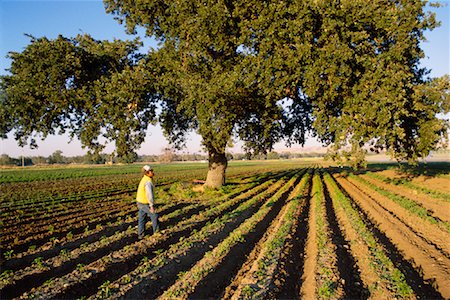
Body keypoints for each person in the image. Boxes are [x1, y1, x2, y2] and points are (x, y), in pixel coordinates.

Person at [136, 165, 159, 239]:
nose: (153, 172)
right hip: (144, 202)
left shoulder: (144, 179)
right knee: (154, 215)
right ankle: (156, 232)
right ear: (147, 172)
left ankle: (140, 235)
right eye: (151, 171)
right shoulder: (148, 181)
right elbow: (149, 194)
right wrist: (151, 205)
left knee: (142, 217)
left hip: (139, 201)